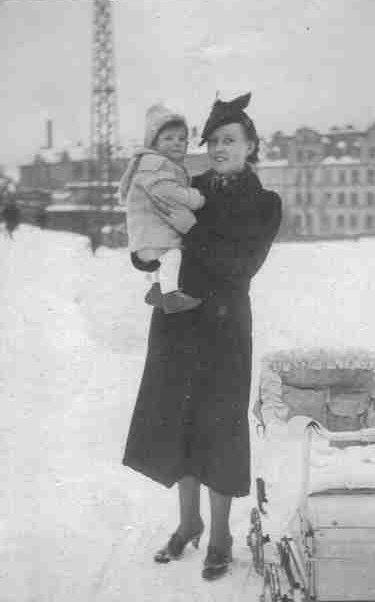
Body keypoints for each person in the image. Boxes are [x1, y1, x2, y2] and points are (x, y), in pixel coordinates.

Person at [122, 92, 282, 580]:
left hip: (225, 326)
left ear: (250, 145)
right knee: (178, 421)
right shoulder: (184, 184)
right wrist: (144, 256)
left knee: (219, 427)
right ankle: (187, 522)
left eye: (229, 140)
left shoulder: (264, 203)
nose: (217, 147)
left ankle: (219, 534)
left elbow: (241, 265)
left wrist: (190, 230)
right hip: (176, 322)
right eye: (212, 140)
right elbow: (148, 232)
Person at [120, 104, 205, 314]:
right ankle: (170, 296)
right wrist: (194, 198)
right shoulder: (156, 164)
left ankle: (157, 290)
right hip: (150, 236)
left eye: (181, 138)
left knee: (165, 257)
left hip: (146, 236)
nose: (177, 143)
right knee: (173, 254)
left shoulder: (152, 162)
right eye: (168, 138)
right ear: (154, 142)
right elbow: (167, 191)